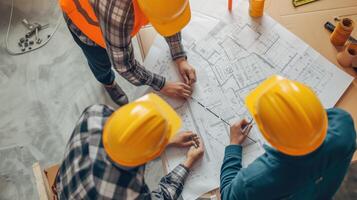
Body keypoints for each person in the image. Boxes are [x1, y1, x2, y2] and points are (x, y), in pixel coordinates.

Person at [220, 75, 356, 200]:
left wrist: (234, 145)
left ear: (270, 138)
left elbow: (227, 195)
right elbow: (314, 118)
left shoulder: (256, 180)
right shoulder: (343, 123)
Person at [55, 93, 204, 199]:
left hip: (65, 185)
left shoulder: (95, 113)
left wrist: (164, 141)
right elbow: (163, 196)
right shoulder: (128, 192)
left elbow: (127, 139)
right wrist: (188, 163)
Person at [60, 0, 196, 105]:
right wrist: (162, 85)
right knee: (100, 61)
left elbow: (168, 14)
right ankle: (107, 82)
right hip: (85, 20)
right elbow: (124, 65)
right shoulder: (118, 9)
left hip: (111, 15)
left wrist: (179, 55)